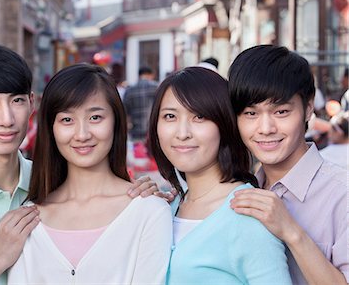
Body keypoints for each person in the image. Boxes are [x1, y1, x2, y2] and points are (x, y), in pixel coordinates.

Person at [0, 45, 158, 285]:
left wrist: (141, 196)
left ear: (32, 103)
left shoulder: (50, 183)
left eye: (17, 101)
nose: (6, 118)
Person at [8, 63, 172, 284]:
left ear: (116, 121)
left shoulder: (149, 210)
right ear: (51, 129)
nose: (82, 134)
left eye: (95, 118)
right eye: (67, 120)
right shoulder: (28, 218)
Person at [148, 66, 291, 284]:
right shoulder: (168, 206)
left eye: (199, 117)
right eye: (170, 116)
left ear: (224, 124)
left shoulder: (247, 213)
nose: (182, 133)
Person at [228, 45, 348, 284]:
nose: (265, 128)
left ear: (308, 108)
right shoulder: (238, 191)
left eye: (281, 111)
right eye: (251, 114)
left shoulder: (342, 195)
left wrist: (292, 232)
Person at [123, 66, 158, 142]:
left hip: (136, 131)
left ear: (139, 76)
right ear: (150, 75)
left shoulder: (129, 90)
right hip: (153, 130)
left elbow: (125, 112)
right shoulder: (156, 87)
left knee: (139, 152)